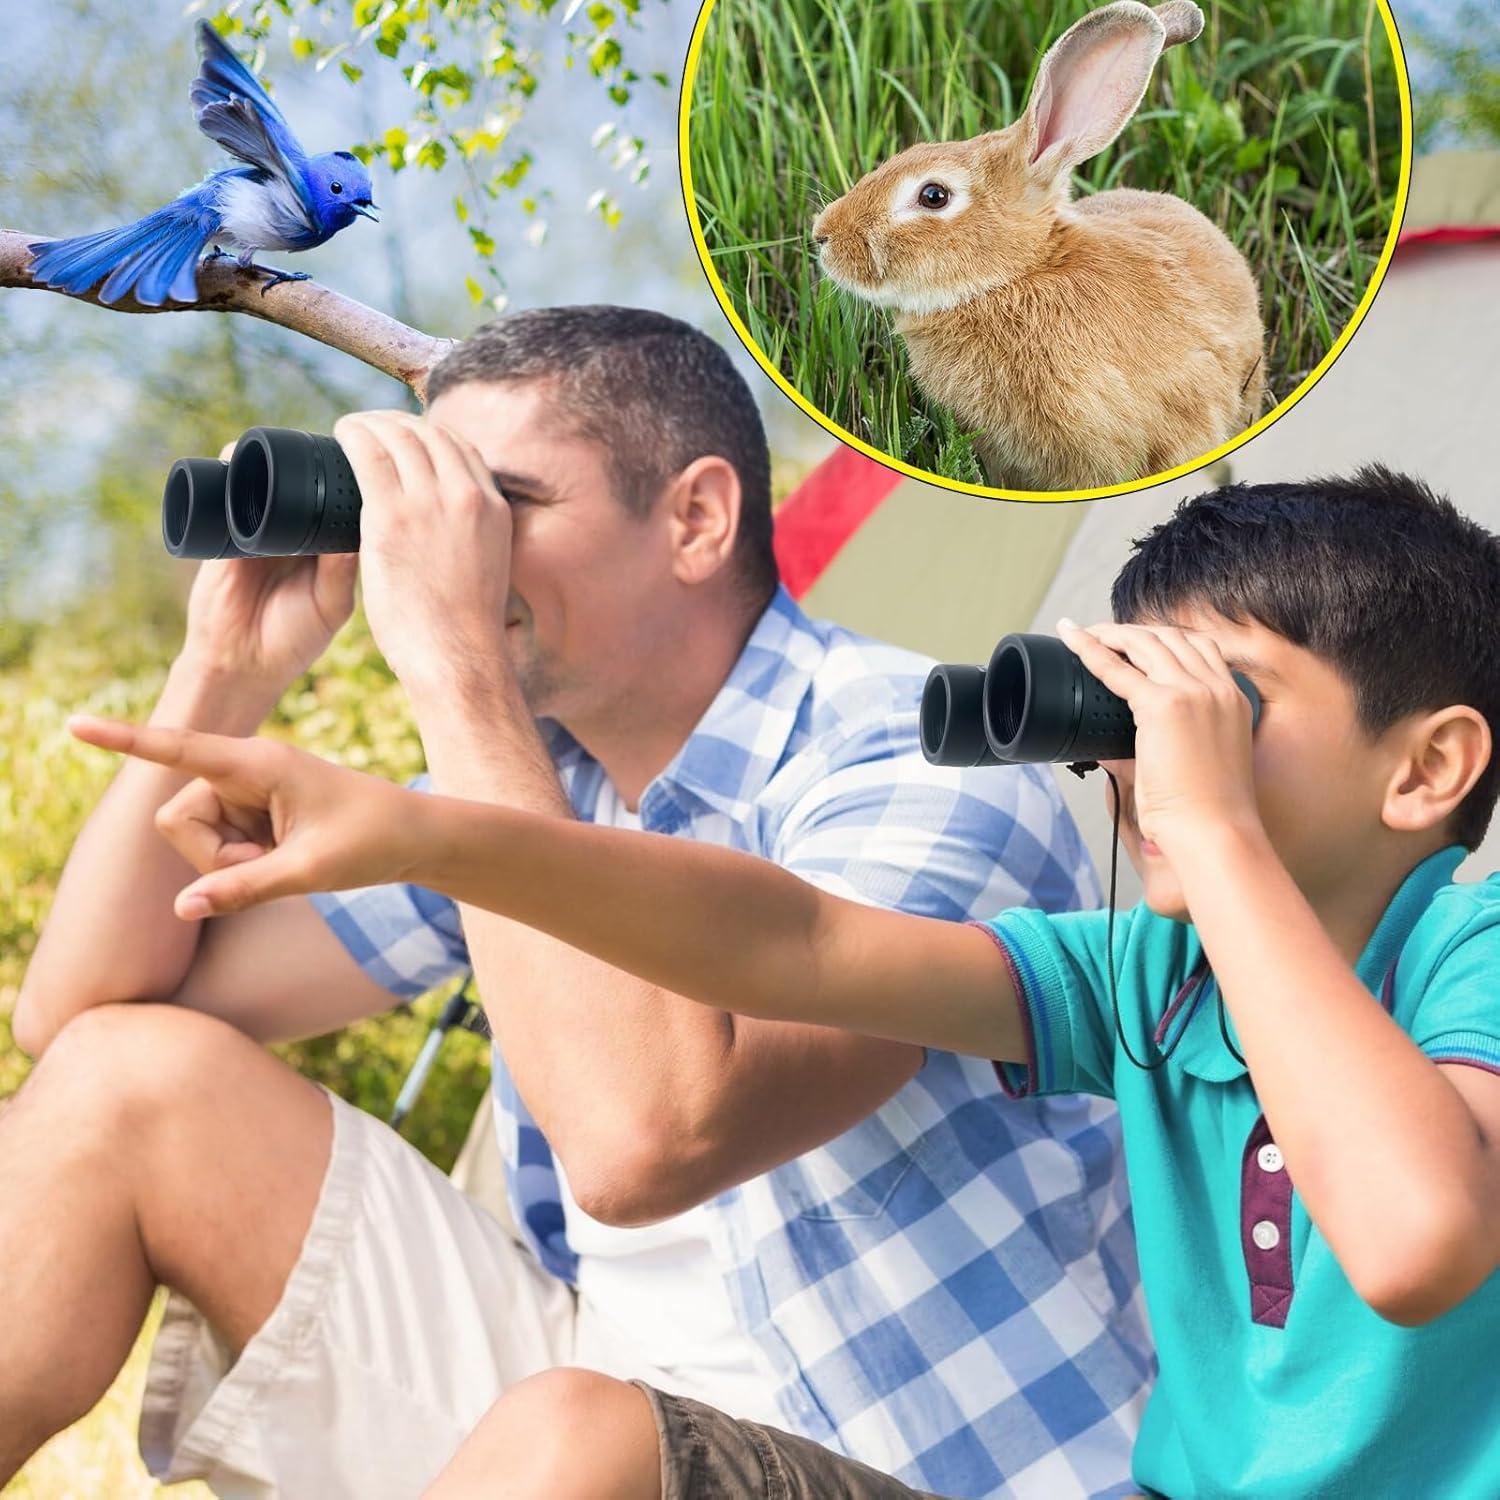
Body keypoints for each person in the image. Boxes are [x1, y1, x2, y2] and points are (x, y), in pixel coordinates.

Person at [74, 467, 1500, 1498]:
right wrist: (426, 832)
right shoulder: (1152, 979)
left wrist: (1214, 832)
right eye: (1138, 699)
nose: (1149, 750)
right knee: (577, 1433)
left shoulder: (1471, 947)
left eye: (1217, 703)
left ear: (1429, 767)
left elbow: (1415, 1238)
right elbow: (794, 944)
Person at [3, 307, 1151, 1498]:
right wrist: (224, 675)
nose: (454, 555)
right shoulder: (553, 783)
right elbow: (80, 1013)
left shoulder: (907, 760)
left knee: (573, 1436)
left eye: (500, 503)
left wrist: (451, 661)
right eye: (432, 512)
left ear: (696, 520)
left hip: (910, 1461)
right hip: (593, 1396)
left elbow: (643, 1146)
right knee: (124, 1087)